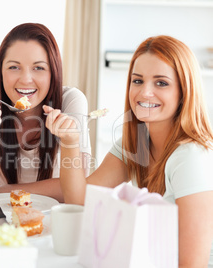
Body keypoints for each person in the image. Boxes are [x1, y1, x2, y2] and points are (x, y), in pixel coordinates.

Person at [61, 35, 213, 266]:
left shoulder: (191, 157)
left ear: (184, 92)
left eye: (161, 83)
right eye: (138, 81)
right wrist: (69, 141)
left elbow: (193, 264)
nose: (144, 93)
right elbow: (80, 200)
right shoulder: (136, 141)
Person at [0, 23, 92, 201]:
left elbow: (79, 184)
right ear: (0, 71)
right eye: (14, 67)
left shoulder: (71, 100)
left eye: (38, 68)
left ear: (53, 72)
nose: (25, 79)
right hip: (6, 217)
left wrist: (6, 190)